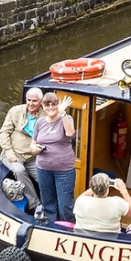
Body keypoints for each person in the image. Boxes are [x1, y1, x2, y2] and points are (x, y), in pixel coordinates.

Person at [32, 92, 77, 223]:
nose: (50, 107)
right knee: (48, 203)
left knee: (65, 205)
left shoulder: (66, 118)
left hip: (64, 170)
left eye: (54, 104)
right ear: (42, 106)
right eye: (47, 104)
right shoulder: (40, 122)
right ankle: (52, 227)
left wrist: (62, 114)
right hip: (43, 168)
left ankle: (67, 229)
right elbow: (33, 143)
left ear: (58, 105)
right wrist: (34, 150)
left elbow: (70, 133)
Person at [0, 88, 44, 210]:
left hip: (33, 157)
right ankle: (36, 205)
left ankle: (51, 206)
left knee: (44, 177)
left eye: (34, 101)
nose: (31, 103)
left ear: (41, 101)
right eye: (29, 100)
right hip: (14, 153)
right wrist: (8, 151)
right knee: (19, 170)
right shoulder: (15, 111)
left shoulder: (45, 115)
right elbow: (3, 133)